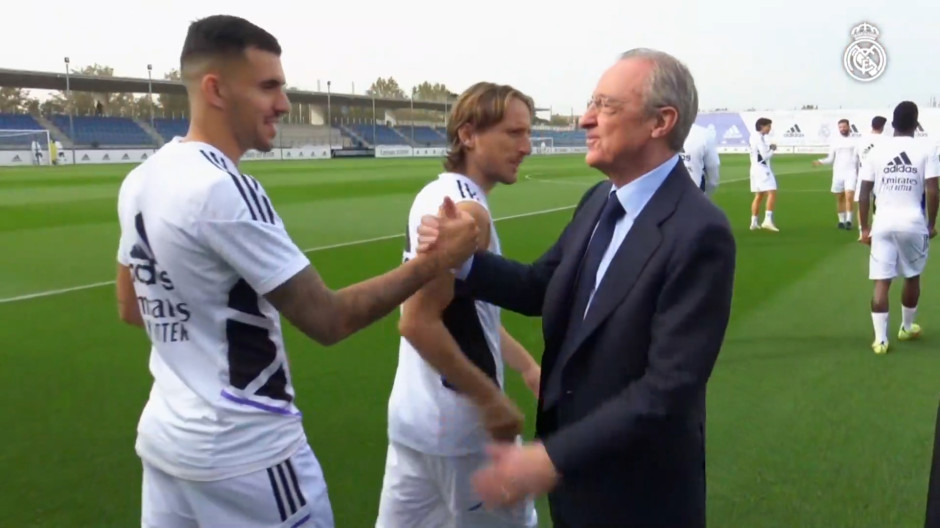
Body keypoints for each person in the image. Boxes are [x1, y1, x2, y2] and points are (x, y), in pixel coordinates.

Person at [113, 15, 479, 528]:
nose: (283, 104)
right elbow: (328, 319)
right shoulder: (224, 188)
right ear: (215, 89)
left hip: (166, 444)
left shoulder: (141, 179)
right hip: (249, 456)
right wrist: (435, 262)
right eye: (268, 87)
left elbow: (132, 307)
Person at [417, 48, 736, 528]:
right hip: (576, 485)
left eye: (605, 106)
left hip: (639, 498)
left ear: (660, 122)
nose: (586, 119)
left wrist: (550, 458)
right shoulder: (598, 200)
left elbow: (668, 389)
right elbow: (541, 285)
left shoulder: (699, 231)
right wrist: (461, 263)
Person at [376, 81, 540, 528]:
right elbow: (417, 322)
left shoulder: (436, 194)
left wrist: (525, 366)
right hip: (467, 434)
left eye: (528, 133)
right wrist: (492, 401)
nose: (526, 146)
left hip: (415, 424)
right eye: (513, 133)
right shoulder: (464, 207)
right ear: (468, 135)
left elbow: (467, 313)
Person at [858, 101, 938, 355]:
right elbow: (933, 189)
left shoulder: (876, 150)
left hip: (882, 223)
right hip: (912, 222)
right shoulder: (927, 148)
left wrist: (863, 227)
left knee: (882, 282)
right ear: (916, 124)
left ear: (892, 124)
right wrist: (932, 224)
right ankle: (906, 327)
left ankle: (880, 340)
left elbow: (863, 193)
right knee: (912, 276)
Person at [813, 118, 860, 230]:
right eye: (840, 127)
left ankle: (849, 220)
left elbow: (859, 157)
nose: (842, 129)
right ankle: (841, 221)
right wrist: (820, 161)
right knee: (840, 198)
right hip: (838, 173)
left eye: (844, 127)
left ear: (849, 127)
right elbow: (830, 158)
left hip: (851, 172)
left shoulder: (856, 141)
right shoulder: (835, 141)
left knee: (849, 196)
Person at [854, 115, 888, 237]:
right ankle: (876, 230)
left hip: (864, 171)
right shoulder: (887, 139)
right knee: (879, 201)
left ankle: (861, 231)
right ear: (883, 126)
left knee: (862, 200)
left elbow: (856, 158)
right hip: (881, 172)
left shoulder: (861, 139)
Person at [749, 117, 779, 231]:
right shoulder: (758, 138)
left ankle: (754, 222)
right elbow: (765, 155)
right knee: (772, 192)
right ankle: (767, 220)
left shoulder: (755, 136)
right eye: (768, 126)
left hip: (754, 168)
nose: (770, 129)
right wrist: (772, 149)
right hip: (762, 169)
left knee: (759, 195)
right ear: (762, 126)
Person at [681, 122, 721, 196]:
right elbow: (713, 166)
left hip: (663, 195)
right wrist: (707, 193)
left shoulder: (657, 131)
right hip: (694, 192)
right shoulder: (703, 134)